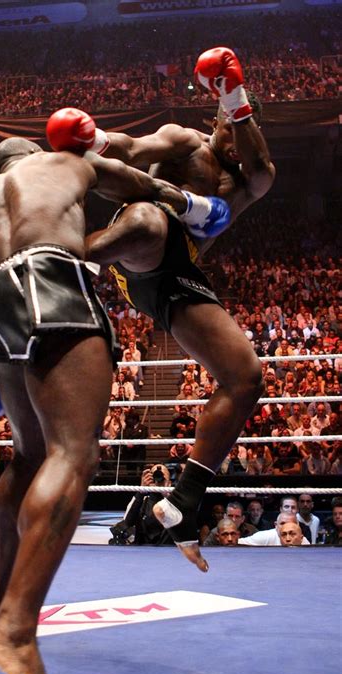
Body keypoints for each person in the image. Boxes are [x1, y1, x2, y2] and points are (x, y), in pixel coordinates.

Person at [0, 128, 201, 674]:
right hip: (53, 285)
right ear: (34, 155)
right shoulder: (65, 161)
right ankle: (14, 629)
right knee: (73, 453)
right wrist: (194, 206)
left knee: (28, 457)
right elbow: (142, 183)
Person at [68, 46, 275, 569]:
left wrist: (236, 97)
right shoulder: (186, 142)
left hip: (179, 272)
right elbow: (132, 148)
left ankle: (184, 501)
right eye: (232, 125)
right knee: (149, 221)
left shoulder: (250, 180)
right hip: (138, 243)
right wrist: (92, 140)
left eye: (248, 130)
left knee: (246, 378)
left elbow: (262, 166)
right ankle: (58, 264)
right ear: (215, 121)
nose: (240, 143)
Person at [238, 512, 310, 546]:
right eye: (282, 523)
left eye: (290, 523)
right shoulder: (264, 537)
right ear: (276, 525)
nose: (286, 527)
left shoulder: (303, 541)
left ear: (297, 525)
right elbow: (237, 543)